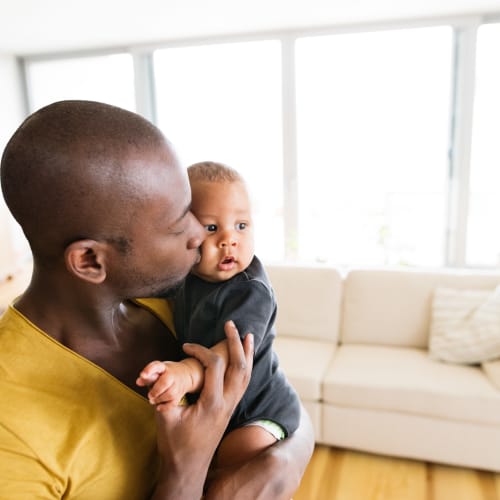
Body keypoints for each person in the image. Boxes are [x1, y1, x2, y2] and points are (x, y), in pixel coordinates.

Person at [0, 100, 314, 499]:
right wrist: (185, 470)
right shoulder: (10, 434)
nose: (200, 236)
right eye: (178, 222)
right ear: (91, 260)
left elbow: (279, 393)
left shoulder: (165, 298)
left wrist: (283, 460)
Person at [137, 161, 301, 468]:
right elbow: (152, 287)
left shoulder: (250, 290)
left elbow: (233, 353)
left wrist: (186, 373)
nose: (229, 240)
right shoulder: (188, 274)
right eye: (212, 228)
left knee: (238, 451)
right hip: (216, 406)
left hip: (259, 409)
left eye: (241, 225)